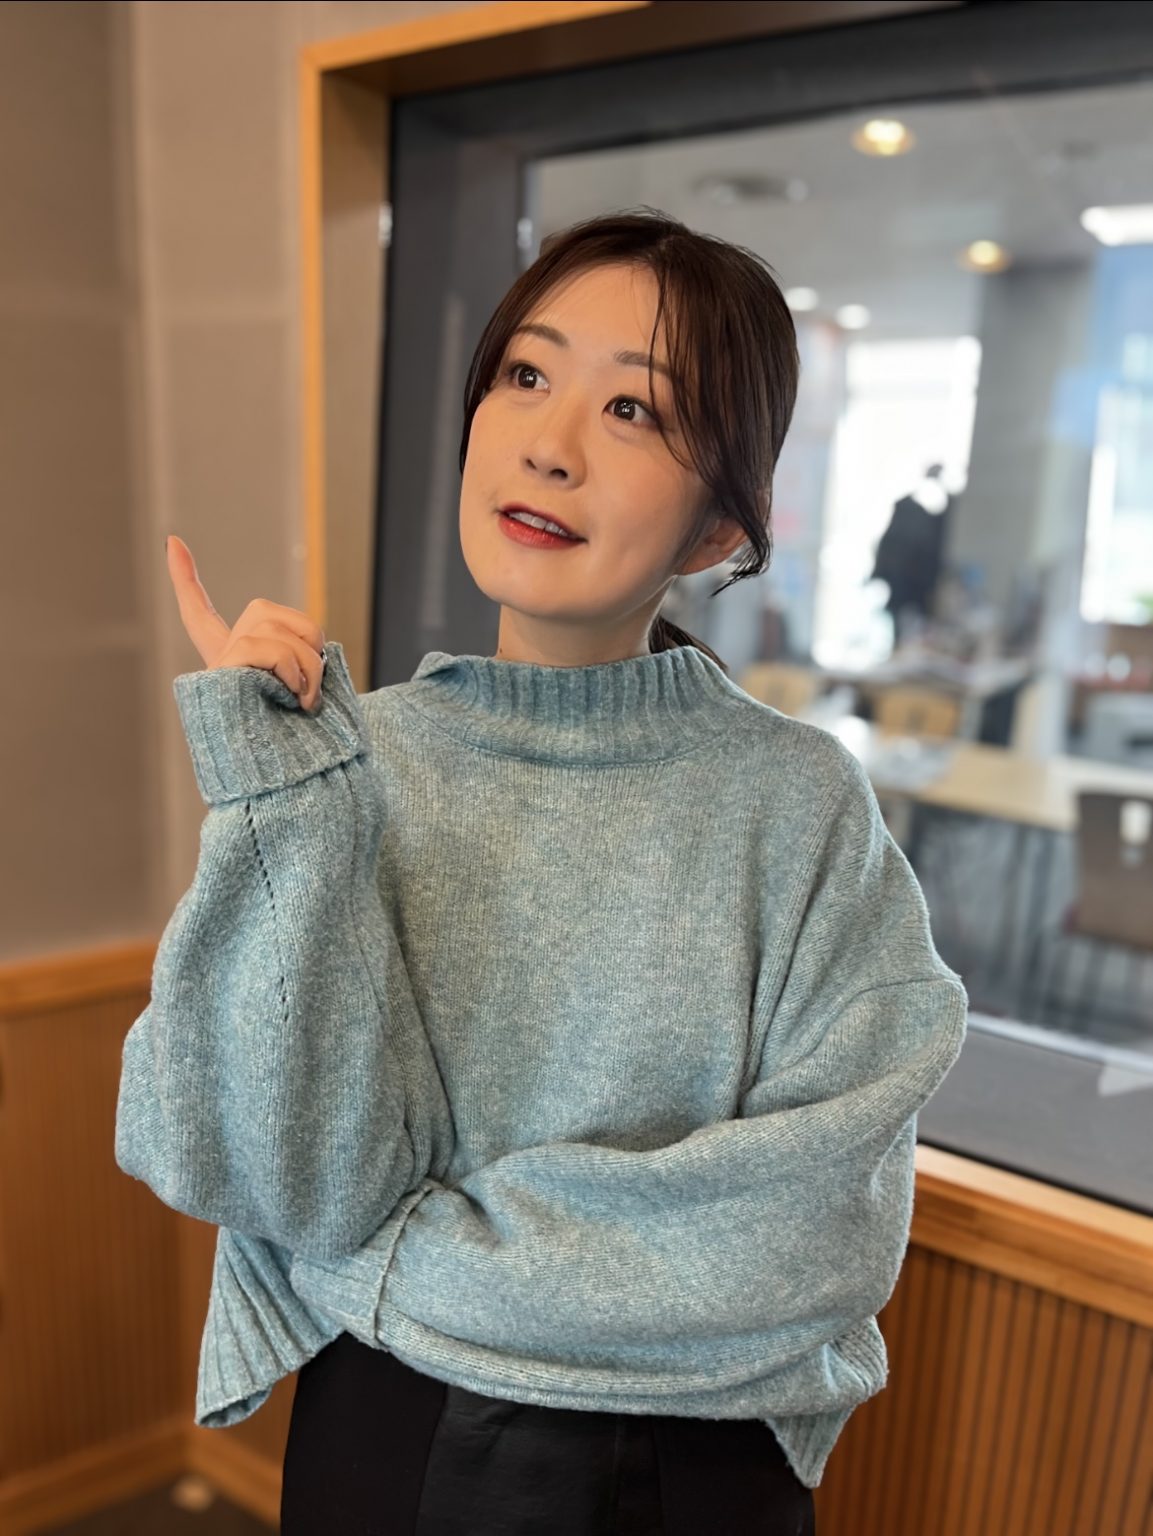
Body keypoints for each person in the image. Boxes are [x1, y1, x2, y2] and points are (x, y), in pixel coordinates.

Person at [115, 211, 968, 1534]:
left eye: (633, 409)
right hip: (389, 1425)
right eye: (525, 373)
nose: (549, 444)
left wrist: (401, 1257)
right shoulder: (349, 764)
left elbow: (817, 1231)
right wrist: (278, 801)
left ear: (715, 531)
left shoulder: (797, 806)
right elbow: (246, 1163)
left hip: (691, 1462)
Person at [870, 462, 953, 637]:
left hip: (919, 585)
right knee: (902, 626)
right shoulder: (906, 509)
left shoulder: (937, 515)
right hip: (904, 582)